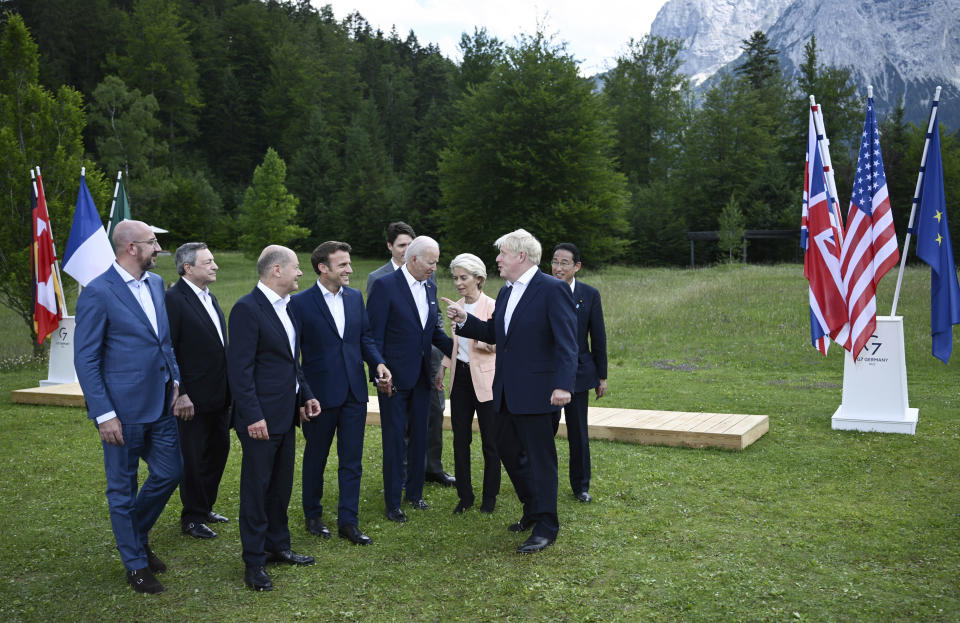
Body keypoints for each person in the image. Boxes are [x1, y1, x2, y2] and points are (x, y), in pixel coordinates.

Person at [443, 229, 577, 554]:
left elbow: (567, 342)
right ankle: (532, 508)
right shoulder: (506, 291)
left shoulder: (552, 289)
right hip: (504, 391)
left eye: (502, 254)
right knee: (507, 450)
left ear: (521, 256)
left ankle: (547, 526)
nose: (498, 259)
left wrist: (563, 385)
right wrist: (465, 320)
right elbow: (494, 332)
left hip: (539, 392)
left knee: (541, 459)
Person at [74, 220, 184, 594]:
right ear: (131, 248)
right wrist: (104, 414)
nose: (159, 249)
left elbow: (162, 342)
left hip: (163, 401)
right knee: (123, 488)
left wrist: (177, 382)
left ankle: (134, 537)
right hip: (121, 412)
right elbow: (86, 359)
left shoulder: (155, 284)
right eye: (153, 243)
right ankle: (135, 564)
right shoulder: (98, 292)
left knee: (170, 472)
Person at [227, 245, 322, 591]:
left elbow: (291, 362)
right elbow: (239, 370)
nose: (300, 273)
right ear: (276, 271)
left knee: (280, 485)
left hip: (285, 414)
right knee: (256, 488)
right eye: (295, 267)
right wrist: (252, 415)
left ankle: (278, 546)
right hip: (259, 420)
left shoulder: (289, 308)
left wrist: (306, 394)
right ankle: (254, 561)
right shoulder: (246, 309)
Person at [289, 241, 392, 546]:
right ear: (323, 267)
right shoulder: (300, 303)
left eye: (349, 263)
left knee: (352, 460)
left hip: (354, 393)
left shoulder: (355, 297)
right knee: (315, 458)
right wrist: (304, 394)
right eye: (343, 264)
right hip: (318, 396)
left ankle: (349, 521)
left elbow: (364, 338)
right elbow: (292, 356)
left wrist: (378, 363)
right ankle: (313, 516)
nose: (350, 269)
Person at [366, 235, 453, 522]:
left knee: (420, 436)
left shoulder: (430, 286)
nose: (434, 268)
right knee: (394, 440)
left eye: (437, 262)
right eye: (431, 262)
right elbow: (372, 335)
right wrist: (379, 368)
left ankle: (414, 494)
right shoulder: (384, 286)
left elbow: (433, 332)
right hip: (392, 378)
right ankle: (393, 503)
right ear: (413, 259)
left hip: (421, 377)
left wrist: (463, 352)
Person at [165, 242, 231, 540]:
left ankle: (204, 509)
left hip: (219, 394)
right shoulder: (174, 300)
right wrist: (181, 392)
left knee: (218, 453)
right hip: (191, 398)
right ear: (187, 268)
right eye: (208, 262)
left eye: (214, 260)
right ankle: (191, 517)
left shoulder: (210, 298)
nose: (215, 265)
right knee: (193, 458)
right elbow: (169, 350)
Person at [436, 253, 500, 514]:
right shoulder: (456, 305)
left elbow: (496, 344)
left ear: (479, 279)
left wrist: (469, 325)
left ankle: (489, 498)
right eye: (455, 278)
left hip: (486, 380)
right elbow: (455, 346)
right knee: (459, 440)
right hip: (460, 379)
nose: (459, 283)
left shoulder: (493, 306)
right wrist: (443, 368)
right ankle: (465, 497)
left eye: (464, 277)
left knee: (491, 442)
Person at [550, 243, 607, 503]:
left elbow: (598, 337)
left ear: (577, 266)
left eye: (564, 263)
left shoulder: (589, 294)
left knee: (578, 433)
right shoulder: (543, 291)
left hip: (580, 374)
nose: (558, 268)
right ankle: (539, 480)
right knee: (544, 430)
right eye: (555, 262)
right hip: (548, 374)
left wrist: (601, 376)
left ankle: (581, 486)